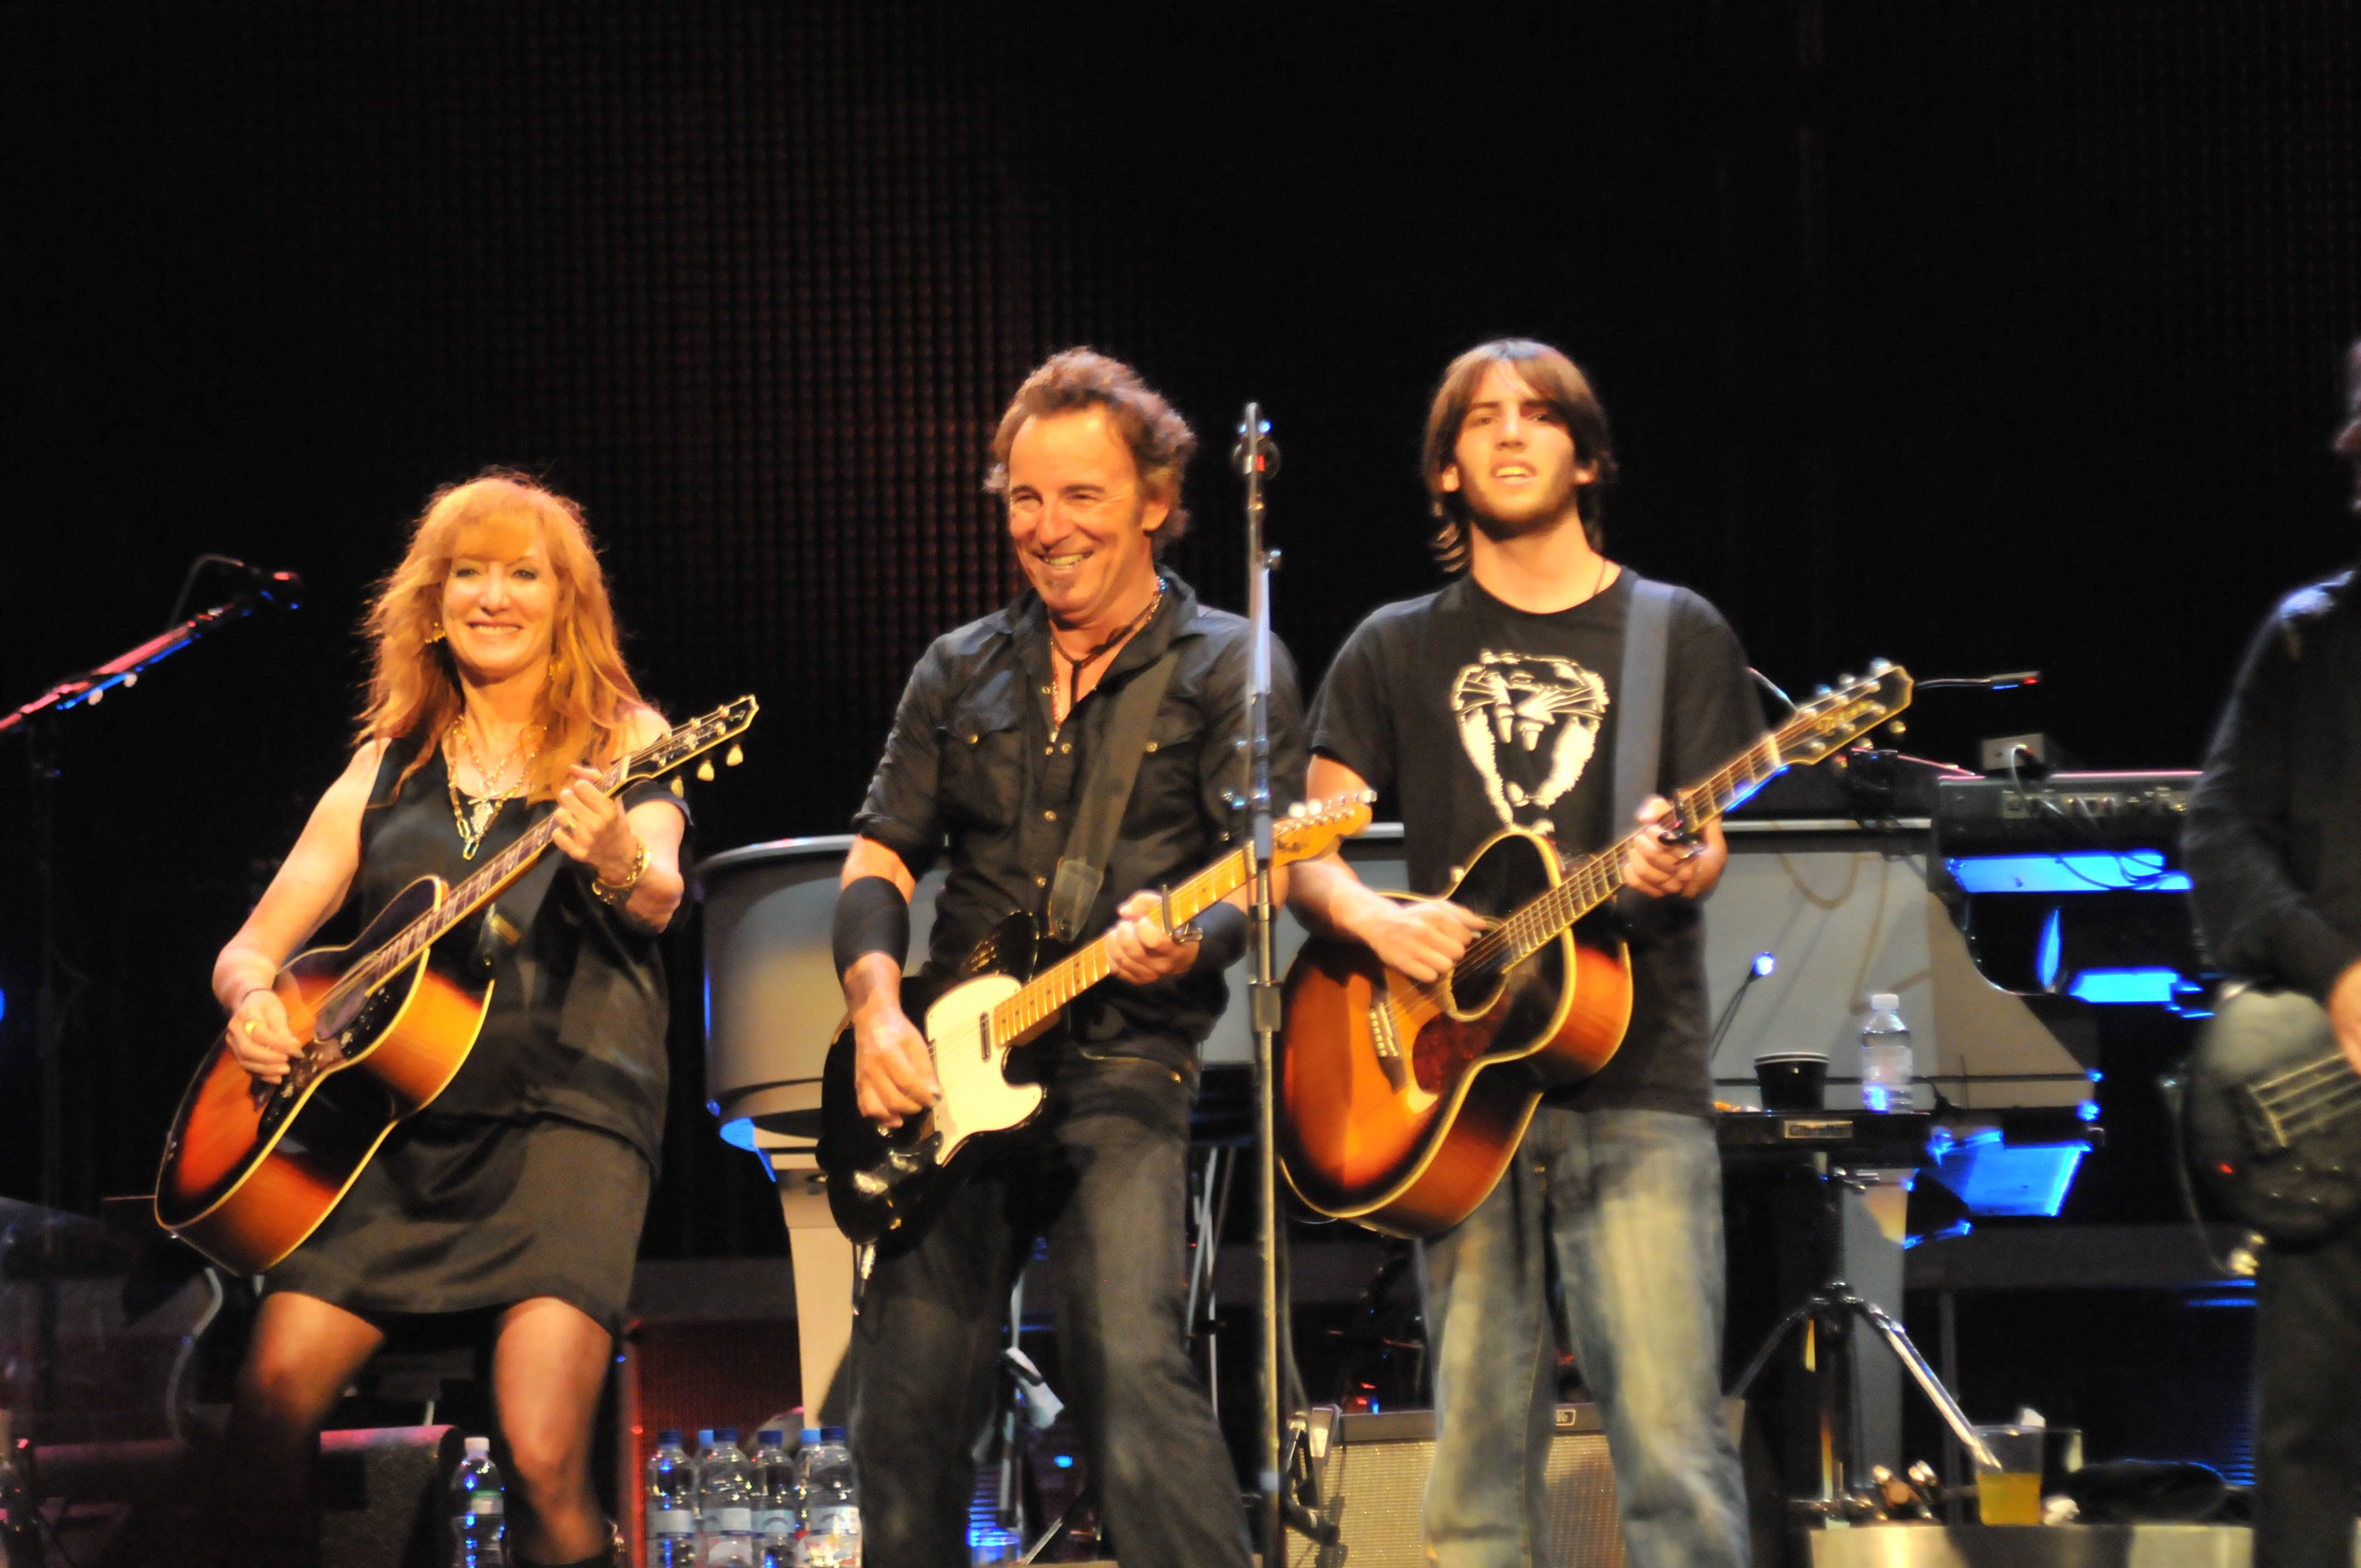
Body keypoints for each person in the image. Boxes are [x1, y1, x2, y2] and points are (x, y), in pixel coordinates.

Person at [1286, 339, 1755, 1567]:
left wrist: (1676, 859)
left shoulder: (1674, 632)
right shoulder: (1393, 645)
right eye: (1479, 420)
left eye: (1539, 416)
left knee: (1672, 1463)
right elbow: (1304, 856)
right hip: (1457, 1099)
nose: (1508, 433)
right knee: (1473, 1485)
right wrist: (1378, 919)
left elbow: (1701, 851)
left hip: (1635, 1083)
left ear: (1585, 454)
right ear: (1444, 472)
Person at [833, 348, 1303, 1567]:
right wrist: (878, 1010)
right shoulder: (959, 667)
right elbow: (878, 860)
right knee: (904, 1403)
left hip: (1122, 1064)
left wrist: (1181, 941)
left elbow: (1261, 870)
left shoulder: (1224, 664)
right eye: (1025, 498)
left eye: (1081, 495)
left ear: (1154, 498)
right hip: (951, 1072)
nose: (1047, 528)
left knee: (1126, 1364)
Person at [207, 471, 687, 1568]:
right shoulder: (384, 766)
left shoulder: (626, 738)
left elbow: (657, 888)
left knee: (539, 1447)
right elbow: (252, 948)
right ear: (428, 600)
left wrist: (614, 856)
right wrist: (252, 1005)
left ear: (567, 600)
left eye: (524, 574)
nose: (493, 596)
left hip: (566, 1126)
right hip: (386, 1144)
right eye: (468, 573)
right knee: (267, 1407)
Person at [2185, 336, 2361, 1568]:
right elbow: (2218, 824)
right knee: (2300, 1433)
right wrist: (2336, 970)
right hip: (2333, 1107)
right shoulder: (2308, 636)